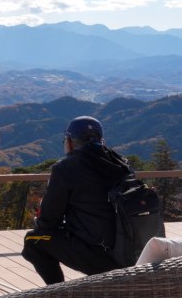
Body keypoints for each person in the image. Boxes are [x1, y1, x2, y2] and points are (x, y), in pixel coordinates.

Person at [21, 116, 132, 285]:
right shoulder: (121, 165)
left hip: (103, 257)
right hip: (133, 252)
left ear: (70, 142)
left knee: (33, 241)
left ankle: (58, 294)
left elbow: (47, 221)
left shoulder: (65, 168)